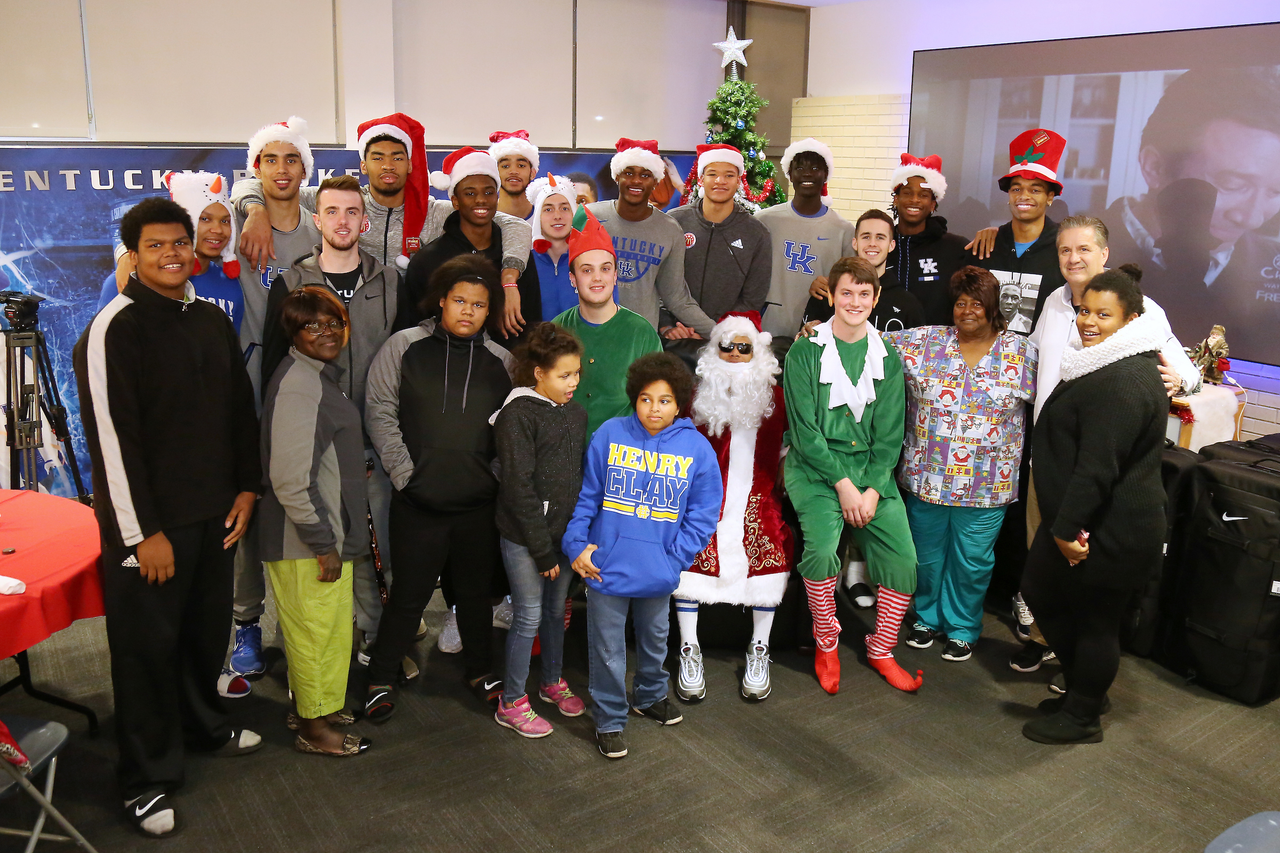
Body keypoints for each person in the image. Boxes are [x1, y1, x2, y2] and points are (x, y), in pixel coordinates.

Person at [73, 197, 262, 838]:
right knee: (146, 651)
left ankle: (203, 726)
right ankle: (145, 779)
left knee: (201, 636)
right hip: (149, 529)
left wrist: (245, 488)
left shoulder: (208, 320)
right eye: (155, 245)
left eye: (179, 242)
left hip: (214, 516)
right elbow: (110, 443)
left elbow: (239, 411)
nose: (172, 254)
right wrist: (140, 534)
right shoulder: (113, 328)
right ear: (132, 254)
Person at [1007, 214, 1200, 673]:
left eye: (1084, 250)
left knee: (1083, 572)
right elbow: (1030, 355)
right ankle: (1045, 640)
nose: (1074, 259)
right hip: (1046, 461)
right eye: (1065, 250)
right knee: (1043, 566)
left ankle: (1075, 662)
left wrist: (1180, 380)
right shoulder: (1056, 301)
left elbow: (1185, 369)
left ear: (1104, 254)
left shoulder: (1139, 307)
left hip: (1094, 469)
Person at [257, 174, 406, 675]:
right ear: (316, 220)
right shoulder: (291, 283)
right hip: (315, 446)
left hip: (373, 441)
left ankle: (377, 645)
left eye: (351, 212)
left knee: (375, 550)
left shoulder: (389, 281)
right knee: (320, 550)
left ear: (364, 221)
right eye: (332, 212)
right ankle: (312, 655)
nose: (342, 221)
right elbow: (275, 369)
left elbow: (403, 358)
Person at [1020, 264, 1168, 745]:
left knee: (1096, 622)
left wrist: (1067, 531)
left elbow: (1098, 468)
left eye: (1103, 314)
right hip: (1079, 518)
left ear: (1131, 318)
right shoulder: (1101, 361)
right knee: (1040, 591)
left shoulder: (1124, 378)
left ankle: (1084, 715)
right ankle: (1086, 685)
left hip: (1111, 528)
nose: (1088, 321)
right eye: (1085, 310)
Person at [362, 255, 514, 722]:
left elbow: (511, 431)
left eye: (480, 305)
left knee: (473, 595)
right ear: (442, 301)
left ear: (490, 311)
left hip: (475, 506)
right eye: (460, 301)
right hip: (417, 501)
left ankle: (478, 670)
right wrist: (407, 475)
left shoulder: (503, 362)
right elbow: (380, 411)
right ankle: (381, 678)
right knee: (408, 594)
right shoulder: (403, 347)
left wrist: (490, 476)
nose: (468, 311)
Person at [563, 352, 722, 759]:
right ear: (635, 398)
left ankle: (649, 696)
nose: (655, 408)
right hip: (607, 568)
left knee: (655, 640)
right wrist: (577, 545)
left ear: (680, 402)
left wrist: (674, 559)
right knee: (608, 650)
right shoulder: (610, 434)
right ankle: (611, 718)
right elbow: (586, 498)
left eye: (665, 400)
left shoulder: (697, 449)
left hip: (659, 570)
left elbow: (704, 516)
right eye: (647, 399)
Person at [232, 113, 533, 326]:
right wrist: (255, 211)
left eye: (397, 157)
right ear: (363, 164)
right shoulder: (343, 200)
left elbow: (516, 225)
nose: (388, 165)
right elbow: (259, 184)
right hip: (349, 320)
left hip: (411, 325)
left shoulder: (432, 210)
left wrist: (509, 279)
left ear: (410, 164)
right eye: (378, 157)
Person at [782, 256, 921, 694]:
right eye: (846, 293)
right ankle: (827, 641)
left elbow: (890, 435)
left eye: (865, 294)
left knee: (903, 559)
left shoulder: (889, 358)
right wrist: (843, 487)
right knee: (822, 553)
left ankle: (881, 647)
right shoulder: (804, 352)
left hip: (871, 474)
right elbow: (805, 433)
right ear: (832, 296)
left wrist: (873, 491)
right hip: (815, 468)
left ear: (876, 298)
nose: (855, 302)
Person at [888, 267, 1037, 662]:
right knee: (926, 555)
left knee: (972, 562)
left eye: (977, 303)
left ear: (994, 309)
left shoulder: (1024, 353)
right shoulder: (923, 342)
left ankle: (963, 626)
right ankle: (925, 617)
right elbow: (865, 340)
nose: (967, 310)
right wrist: (819, 325)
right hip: (927, 478)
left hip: (988, 484)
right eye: (960, 303)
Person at [258, 286, 372, 757]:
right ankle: (312, 727)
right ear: (293, 332)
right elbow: (288, 479)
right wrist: (322, 541)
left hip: (324, 534)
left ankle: (318, 706)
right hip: (305, 540)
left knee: (326, 630)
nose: (326, 333)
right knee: (311, 635)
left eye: (333, 323)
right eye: (312, 325)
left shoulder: (318, 376)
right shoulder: (300, 385)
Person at [1101, 66, 1280, 362]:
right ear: (1155, 167)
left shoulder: (1271, 266)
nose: (1252, 218)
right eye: (1233, 184)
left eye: (1276, 192)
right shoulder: (1073, 250)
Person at [229, 116, 322, 677]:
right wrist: (251, 207)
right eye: (271, 160)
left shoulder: (322, 225)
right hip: (250, 383)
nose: (282, 170)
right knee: (251, 499)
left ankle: (302, 616)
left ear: (305, 169)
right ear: (256, 168)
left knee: (308, 500)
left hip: (309, 382)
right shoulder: (240, 222)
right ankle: (245, 623)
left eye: (292, 160)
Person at [673, 313, 791, 702]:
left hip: (759, 492)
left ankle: (760, 646)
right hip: (708, 493)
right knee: (690, 550)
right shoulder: (699, 394)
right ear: (715, 349)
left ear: (758, 350)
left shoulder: (775, 397)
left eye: (746, 347)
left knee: (771, 545)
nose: (737, 354)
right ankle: (689, 647)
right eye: (729, 346)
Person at [492, 322, 589, 737]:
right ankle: (511, 701)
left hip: (562, 537)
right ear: (538, 373)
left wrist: (571, 538)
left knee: (555, 611)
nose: (573, 382)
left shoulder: (576, 412)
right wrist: (542, 551)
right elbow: (518, 487)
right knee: (528, 615)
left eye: (577, 373)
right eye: (564, 375)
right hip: (525, 538)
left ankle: (550, 682)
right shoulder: (517, 415)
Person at [580, 138, 715, 339]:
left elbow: (676, 297)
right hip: (588, 335)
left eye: (645, 175)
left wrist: (722, 334)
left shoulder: (670, 230)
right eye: (629, 173)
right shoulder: (588, 216)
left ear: (656, 181)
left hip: (640, 340)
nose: (636, 181)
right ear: (617, 177)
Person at [401, 146, 540, 339]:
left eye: (489, 192)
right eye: (470, 193)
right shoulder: (428, 259)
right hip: (444, 366)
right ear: (455, 201)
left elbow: (532, 322)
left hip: (508, 365)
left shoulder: (514, 254)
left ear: (497, 197)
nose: (481, 200)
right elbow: (413, 328)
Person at [552, 209, 663, 438]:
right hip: (564, 453)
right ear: (573, 279)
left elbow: (657, 404)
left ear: (615, 275)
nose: (597, 278)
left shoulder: (641, 333)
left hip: (623, 455)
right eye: (586, 270)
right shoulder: (556, 330)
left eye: (605, 268)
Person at [972, 128, 1068, 334]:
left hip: (1044, 359)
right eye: (1016, 189)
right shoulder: (987, 246)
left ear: (1050, 197)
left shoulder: (1065, 247)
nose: (1024, 196)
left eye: (1035, 190)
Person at [756, 138, 855, 338]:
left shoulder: (844, 230)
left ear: (826, 174)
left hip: (820, 331)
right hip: (770, 330)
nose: (807, 173)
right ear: (789, 174)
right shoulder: (764, 220)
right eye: (800, 168)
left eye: (816, 168)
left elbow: (851, 286)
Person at [669, 144, 772, 321]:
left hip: (725, 339)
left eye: (729, 175)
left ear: (739, 181)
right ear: (701, 179)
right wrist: (668, 324)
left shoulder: (757, 233)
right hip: (675, 334)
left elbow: (753, 298)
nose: (720, 181)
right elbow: (660, 281)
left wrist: (718, 329)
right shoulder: (674, 222)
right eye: (712, 174)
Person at [802, 209, 925, 333]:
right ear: (855, 243)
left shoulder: (908, 305)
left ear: (891, 245)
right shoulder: (827, 293)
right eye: (866, 237)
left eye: (880, 237)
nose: (872, 243)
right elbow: (806, 342)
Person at [886, 153, 972, 326]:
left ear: (933, 204)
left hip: (935, 349)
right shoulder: (880, 246)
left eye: (923, 195)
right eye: (907, 193)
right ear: (896, 200)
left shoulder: (956, 248)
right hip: (882, 344)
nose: (914, 200)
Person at [527, 173, 584, 321]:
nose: (557, 216)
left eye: (564, 208)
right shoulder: (524, 263)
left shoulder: (590, 260)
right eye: (548, 209)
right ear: (538, 216)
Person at [489, 129, 538, 221]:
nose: (513, 171)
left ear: (533, 173)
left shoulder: (545, 219)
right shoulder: (482, 219)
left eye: (521, 165)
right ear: (494, 172)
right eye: (505, 166)